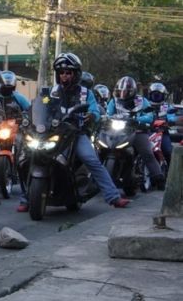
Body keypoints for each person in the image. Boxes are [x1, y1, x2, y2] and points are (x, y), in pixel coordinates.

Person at [19, 53, 129, 211]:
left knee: (91, 159)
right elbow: (39, 106)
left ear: (76, 74)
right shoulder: (51, 92)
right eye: (62, 72)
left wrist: (92, 115)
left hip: (75, 133)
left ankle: (113, 197)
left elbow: (95, 110)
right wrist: (28, 115)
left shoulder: (86, 93)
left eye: (68, 72)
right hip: (51, 133)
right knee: (27, 156)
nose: (64, 76)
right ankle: (25, 199)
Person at [107, 76, 165, 189]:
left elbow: (149, 116)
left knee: (147, 153)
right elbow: (108, 114)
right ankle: (94, 176)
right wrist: (103, 118)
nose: (123, 94)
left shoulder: (142, 101)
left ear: (132, 92)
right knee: (100, 147)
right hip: (117, 132)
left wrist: (137, 120)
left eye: (126, 92)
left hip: (137, 131)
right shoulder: (113, 101)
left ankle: (159, 178)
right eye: (120, 91)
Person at [146, 82, 177, 166]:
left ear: (163, 96)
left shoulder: (166, 106)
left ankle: (171, 173)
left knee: (167, 150)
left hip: (162, 133)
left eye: (158, 95)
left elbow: (172, 116)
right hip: (146, 132)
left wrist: (170, 121)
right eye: (154, 94)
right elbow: (138, 114)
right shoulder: (146, 105)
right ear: (150, 95)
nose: (156, 96)